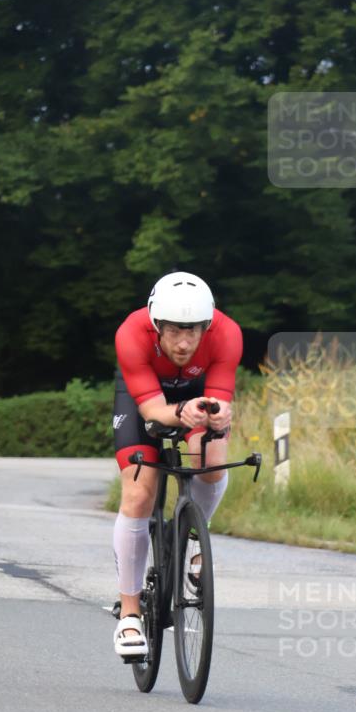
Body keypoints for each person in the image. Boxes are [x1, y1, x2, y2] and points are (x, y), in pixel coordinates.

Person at [112, 271, 242, 658]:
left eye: (194, 332)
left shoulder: (227, 334)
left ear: (208, 325)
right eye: (174, 332)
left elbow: (219, 397)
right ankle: (130, 615)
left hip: (195, 396)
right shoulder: (131, 333)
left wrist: (218, 415)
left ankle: (192, 536)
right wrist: (179, 411)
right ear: (156, 327)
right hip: (145, 398)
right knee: (138, 491)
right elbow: (152, 411)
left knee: (213, 461)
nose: (185, 343)